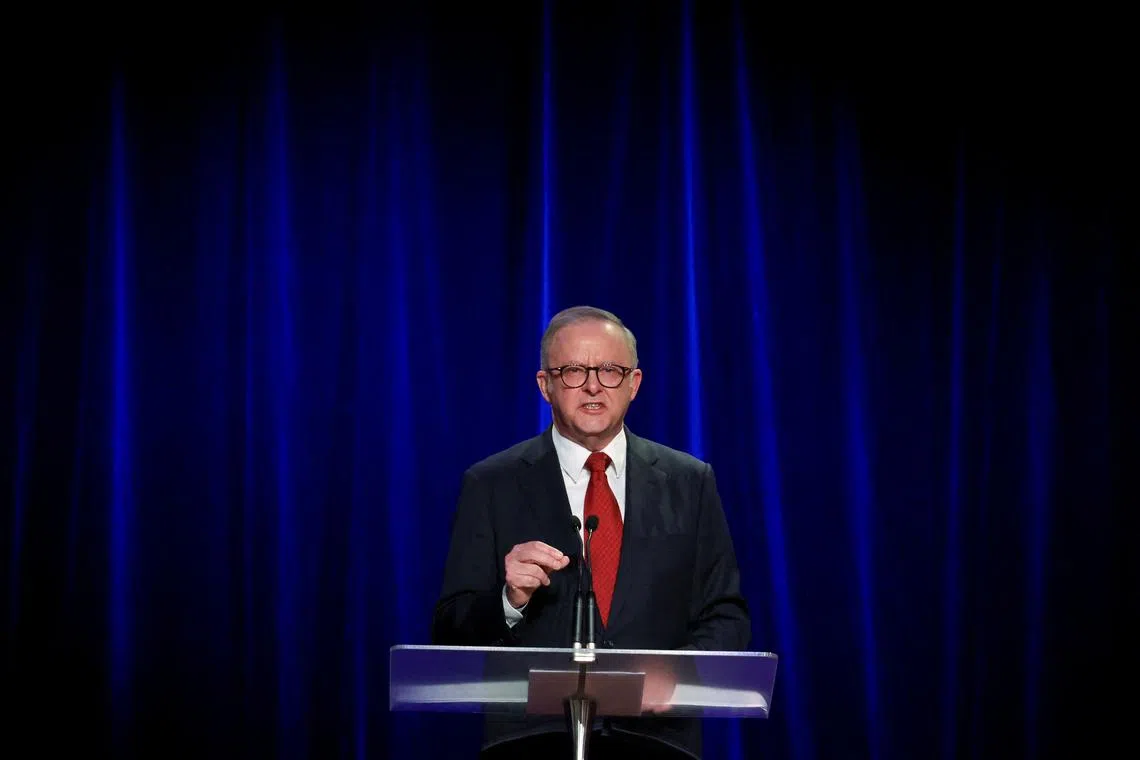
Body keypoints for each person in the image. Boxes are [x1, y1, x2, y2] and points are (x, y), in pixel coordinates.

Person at [433, 306, 750, 759]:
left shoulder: (689, 482)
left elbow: (726, 616)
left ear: (634, 383)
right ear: (545, 385)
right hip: (532, 743)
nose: (593, 386)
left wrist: (676, 672)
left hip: (655, 741)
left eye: (610, 370)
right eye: (573, 371)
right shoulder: (491, 484)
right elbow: (450, 631)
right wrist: (509, 601)